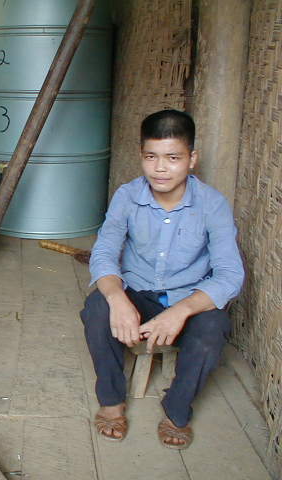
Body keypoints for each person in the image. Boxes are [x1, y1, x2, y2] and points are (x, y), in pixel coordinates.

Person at [81, 110, 244, 449]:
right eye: (151, 156)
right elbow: (104, 252)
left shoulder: (212, 204)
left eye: (173, 158)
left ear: (192, 159)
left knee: (214, 327)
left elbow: (230, 274)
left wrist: (181, 310)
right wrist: (117, 298)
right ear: (141, 155)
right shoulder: (127, 196)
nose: (160, 168)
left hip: (187, 297)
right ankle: (111, 401)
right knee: (97, 308)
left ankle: (176, 410)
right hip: (138, 293)